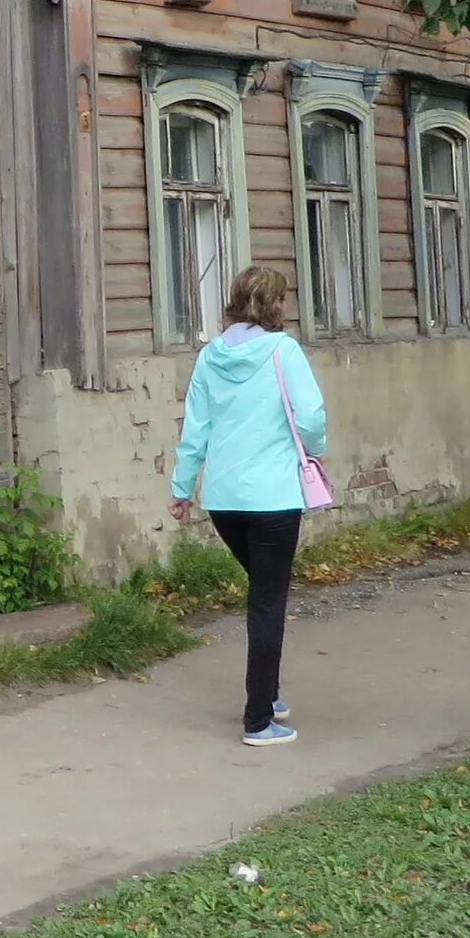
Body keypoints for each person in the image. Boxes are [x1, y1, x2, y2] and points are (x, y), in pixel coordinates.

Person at [166, 266, 327, 747]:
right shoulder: (285, 351)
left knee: (262, 590)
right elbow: (311, 415)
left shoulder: (209, 357)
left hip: (224, 500)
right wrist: (313, 447)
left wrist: (180, 488)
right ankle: (259, 719)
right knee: (267, 601)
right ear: (276, 304)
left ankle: (270, 694)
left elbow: (195, 429)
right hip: (274, 498)